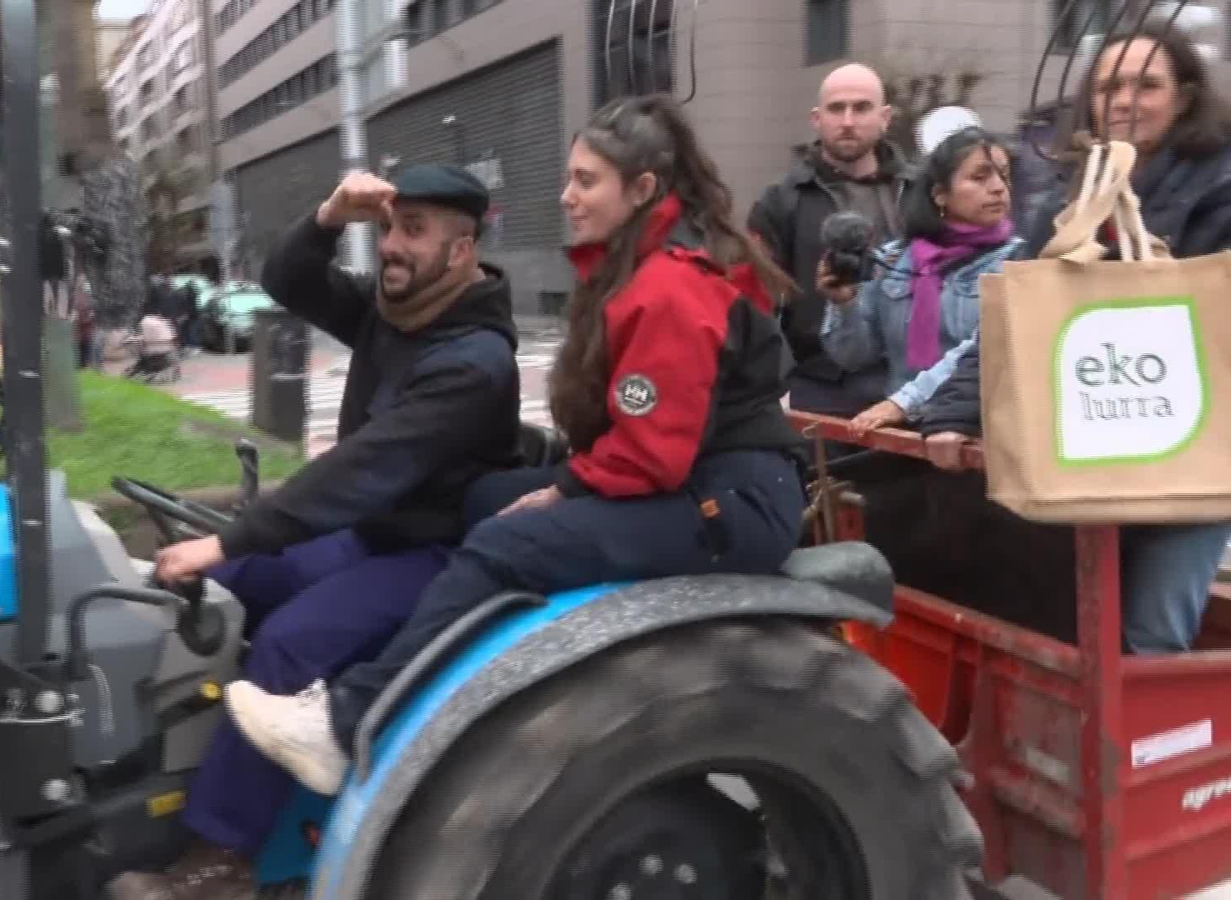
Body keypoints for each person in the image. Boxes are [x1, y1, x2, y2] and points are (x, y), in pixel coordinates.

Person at [221, 95, 808, 800]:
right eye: (570, 178)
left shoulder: (668, 286)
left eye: (586, 181)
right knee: (486, 499)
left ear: (642, 189)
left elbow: (653, 454)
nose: (568, 196)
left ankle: (348, 723)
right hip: (700, 478)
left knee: (508, 540)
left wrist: (567, 489)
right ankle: (438, 615)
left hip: (729, 500)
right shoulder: (638, 268)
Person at [113, 164, 521, 899]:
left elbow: (362, 470)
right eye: (391, 226)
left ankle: (219, 861)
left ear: (462, 251)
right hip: (369, 534)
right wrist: (332, 212)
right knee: (212, 588)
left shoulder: (474, 361)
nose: (393, 245)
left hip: (435, 552)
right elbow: (288, 278)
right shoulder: (393, 312)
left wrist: (234, 535)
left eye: (415, 231)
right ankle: (140, 780)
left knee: (289, 642)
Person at [919, 21, 1231, 655]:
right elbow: (1015, 320)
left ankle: (1148, 753)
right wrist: (949, 413)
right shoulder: (1070, 197)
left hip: (1186, 459)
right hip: (1086, 457)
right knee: (1073, 639)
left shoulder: (1221, 187)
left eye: (1146, 85)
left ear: (1185, 95)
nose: (1124, 101)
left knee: (1149, 643)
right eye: (1109, 85)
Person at [816, 126, 1018, 437]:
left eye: (1004, 175)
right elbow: (854, 357)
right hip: (902, 434)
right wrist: (843, 304)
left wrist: (903, 402)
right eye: (979, 177)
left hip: (974, 434)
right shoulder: (895, 259)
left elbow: (982, 351)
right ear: (939, 193)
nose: (998, 188)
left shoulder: (1020, 262)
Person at [748, 63, 918, 418]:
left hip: (911, 381)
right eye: (837, 108)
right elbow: (757, 304)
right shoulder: (781, 201)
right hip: (819, 384)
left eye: (862, 107)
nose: (848, 121)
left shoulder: (921, 192)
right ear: (816, 118)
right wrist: (774, 385)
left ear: (885, 117)